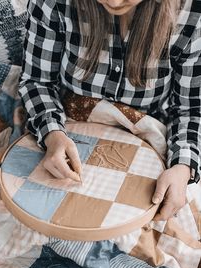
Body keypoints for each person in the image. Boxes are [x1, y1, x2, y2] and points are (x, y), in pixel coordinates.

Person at [19, 0, 201, 221]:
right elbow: (37, 81)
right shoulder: (52, 3)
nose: (113, 2)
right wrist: (52, 135)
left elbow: (189, 109)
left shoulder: (192, 13)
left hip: (151, 140)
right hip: (65, 124)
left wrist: (182, 167)